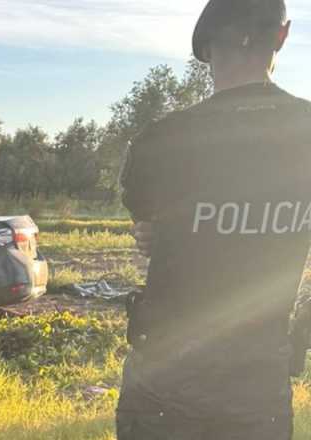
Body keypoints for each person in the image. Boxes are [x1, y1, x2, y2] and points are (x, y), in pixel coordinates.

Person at [118, 1, 308, 438]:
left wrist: (163, 232)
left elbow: (147, 224)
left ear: (207, 49)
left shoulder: (163, 139)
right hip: (259, 386)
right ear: (282, 36)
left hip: (165, 385)